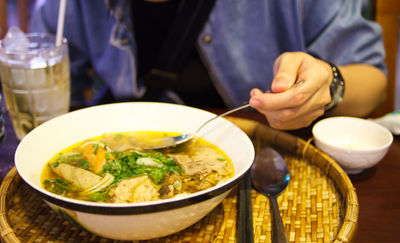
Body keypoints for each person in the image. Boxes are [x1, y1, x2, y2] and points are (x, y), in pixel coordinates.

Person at [29, 0, 387, 130]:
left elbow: (373, 80)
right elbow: (52, 102)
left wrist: (329, 83)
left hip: (266, 155)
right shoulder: (64, 6)